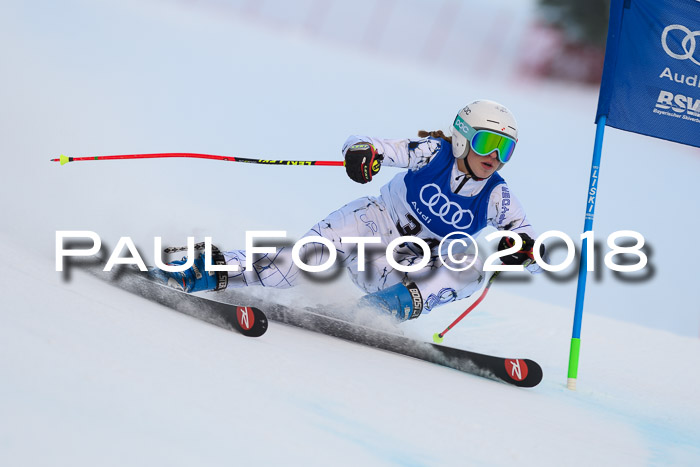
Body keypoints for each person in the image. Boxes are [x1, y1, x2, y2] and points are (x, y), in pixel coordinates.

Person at [150, 100, 543, 321]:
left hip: (404, 272)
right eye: (488, 142)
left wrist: (524, 250)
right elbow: (364, 142)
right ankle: (198, 274)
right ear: (463, 138)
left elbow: (529, 240)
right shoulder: (431, 153)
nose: (495, 156)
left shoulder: (497, 196)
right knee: (292, 266)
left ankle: (378, 312)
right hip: (371, 227)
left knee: (472, 268)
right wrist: (361, 154)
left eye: (505, 149)